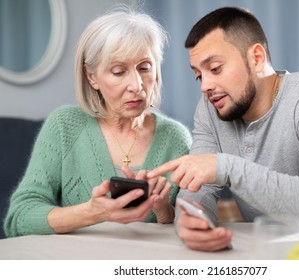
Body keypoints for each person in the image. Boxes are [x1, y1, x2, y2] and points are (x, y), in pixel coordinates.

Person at [147, 6, 299, 252]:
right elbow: (198, 189)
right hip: (267, 251)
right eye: (198, 75)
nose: (205, 86)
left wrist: (225, 167)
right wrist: (193, 221)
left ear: (257, 58)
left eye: (215, 69)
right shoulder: (210, 109)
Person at [3, 5, 191, 237]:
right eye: (118, 71)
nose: (137, 85)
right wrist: (93, 212)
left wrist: (163, 210)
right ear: (92, 77)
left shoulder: (176, 138)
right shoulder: (64, 126)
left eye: (144, 68)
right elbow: (18, 218)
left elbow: (189, 224)